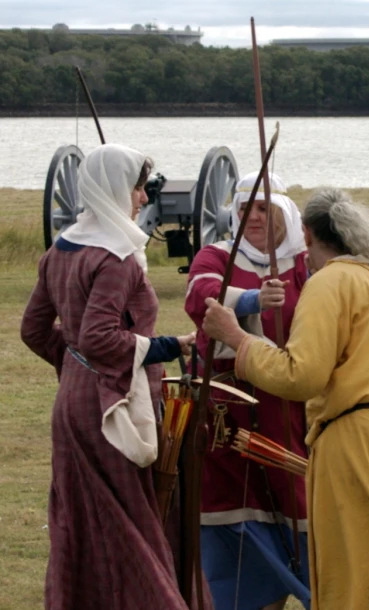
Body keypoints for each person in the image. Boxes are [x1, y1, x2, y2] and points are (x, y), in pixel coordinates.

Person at [200, 188, 369, 610]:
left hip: (357, 443)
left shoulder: (332, 280)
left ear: (306, 236)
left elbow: (301, 374)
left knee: (361, 568)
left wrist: (236, 338)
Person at [20, 143, 204, 609]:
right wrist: (164, 346)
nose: (143, 198)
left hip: (73, 403)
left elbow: (35, 330)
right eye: (138, 187)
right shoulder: (115, 257)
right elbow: (100, 337)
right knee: (129, 523)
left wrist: (75, 366)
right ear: (116, 187)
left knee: (85, 521)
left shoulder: (62, 248)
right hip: (114, 408)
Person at [184, 171, 311, 610]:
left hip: (289, 415)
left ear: (283, 213)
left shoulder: (304, 263)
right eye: (244, 208)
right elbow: (201, 296)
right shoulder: (216, 254)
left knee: (299, 519)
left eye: (263, 208)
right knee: (237, 535)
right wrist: (255, 298)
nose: (252, 217)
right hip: (229, 419)